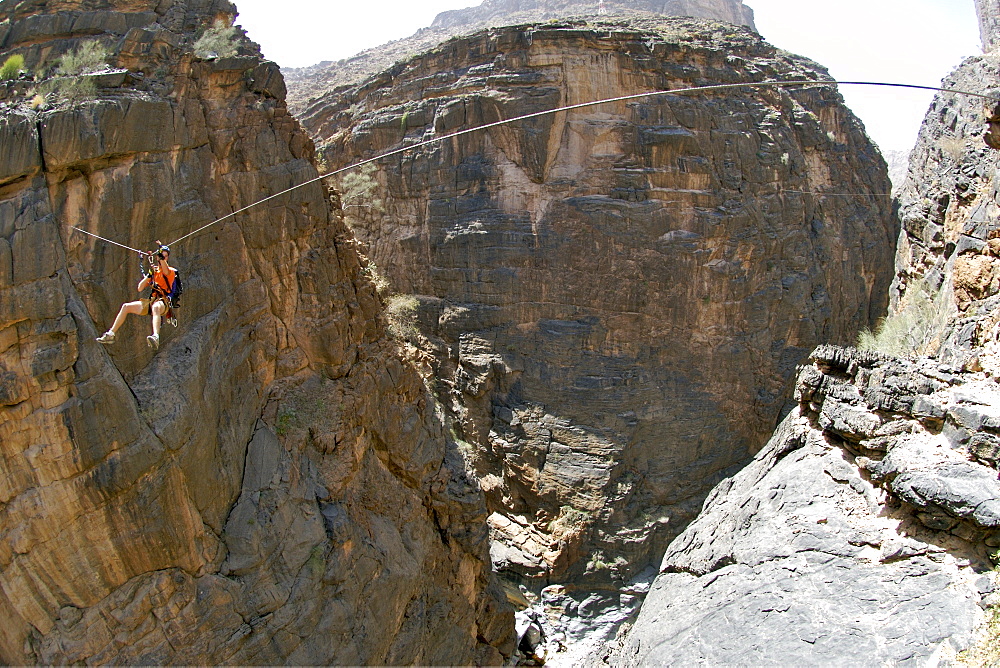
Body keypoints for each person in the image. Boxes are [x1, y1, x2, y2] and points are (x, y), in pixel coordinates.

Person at [96, 242, 179, 350]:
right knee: (126, 307)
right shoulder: (154, 272)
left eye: (165, 256)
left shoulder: (171, 271)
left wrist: (160, 254)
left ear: (167, 258)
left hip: (164, 303)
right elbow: (140, 288)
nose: (163, 257)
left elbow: (165, 267)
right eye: (162, 255)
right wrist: (149, 275)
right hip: (151, 301)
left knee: (156, 307)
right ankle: (111, 334)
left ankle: (156, 337)